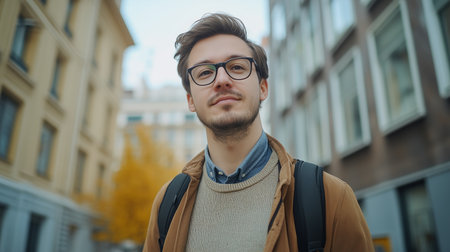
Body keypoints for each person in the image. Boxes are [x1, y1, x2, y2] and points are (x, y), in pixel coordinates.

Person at [142, 13, 374, 252]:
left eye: (237, 67)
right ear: (190, 100)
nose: (221, 80)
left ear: (263, 88)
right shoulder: (167, 204)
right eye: (204, 72)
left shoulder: (331, 198)